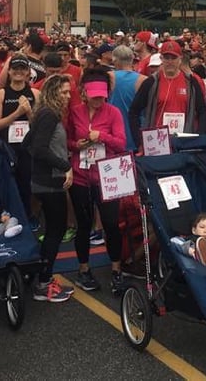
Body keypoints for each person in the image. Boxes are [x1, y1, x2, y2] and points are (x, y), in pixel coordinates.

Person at [67, 75, 128, 295]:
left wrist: (101, 136)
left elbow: (121, 144)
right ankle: (84, 269)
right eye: (94, 97)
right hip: (81, 176)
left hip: (107, 176)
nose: (98, 101)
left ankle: (116, 269)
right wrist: (77, 144)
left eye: (101, 97)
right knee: (84, 224)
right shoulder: (75, 112)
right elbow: (67, 141)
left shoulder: (113, 112)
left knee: (111, 224)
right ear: (85, 94)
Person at [27, 73, 75, 303]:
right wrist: (64, 165)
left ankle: (41, 276)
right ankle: (44, 283)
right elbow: (38, 149)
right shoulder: (49, 115)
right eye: (64, 92)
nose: (68, 96)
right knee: (55, 230)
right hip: (50, 182)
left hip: (42, 180)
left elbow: (28, 143)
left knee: (52, 230)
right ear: (53, 92)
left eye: (69, 92)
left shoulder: (43, 113)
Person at [128, 40, 206, 139]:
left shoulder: (191, 82)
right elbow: (133, 111)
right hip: (157, 141)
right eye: (166, 58)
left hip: (184, 141)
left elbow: (203, 111)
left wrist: (199, 137)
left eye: (173, 58)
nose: (170, 62)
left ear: (180, 59)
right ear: (161, 58)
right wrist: (139, 140)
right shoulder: (151, 82)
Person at [0, 55, 39, 215]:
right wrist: (17, 113)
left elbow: (39, 126)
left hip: (28, 149)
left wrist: (29, 112)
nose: (19, 72)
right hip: (7, 148)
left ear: (28, 72)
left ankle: (28, 216)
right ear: (9, 71)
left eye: (22, 69)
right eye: (15, 69)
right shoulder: (0, 95)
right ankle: (7, 216)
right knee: (7, 183)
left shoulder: (35, 94)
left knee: (27, 185)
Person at [108, 45, 146, 150]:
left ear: (115, 60)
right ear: (132, 59)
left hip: (113, 135)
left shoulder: (109, 77)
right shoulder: (143, 80)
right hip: (136, 135)